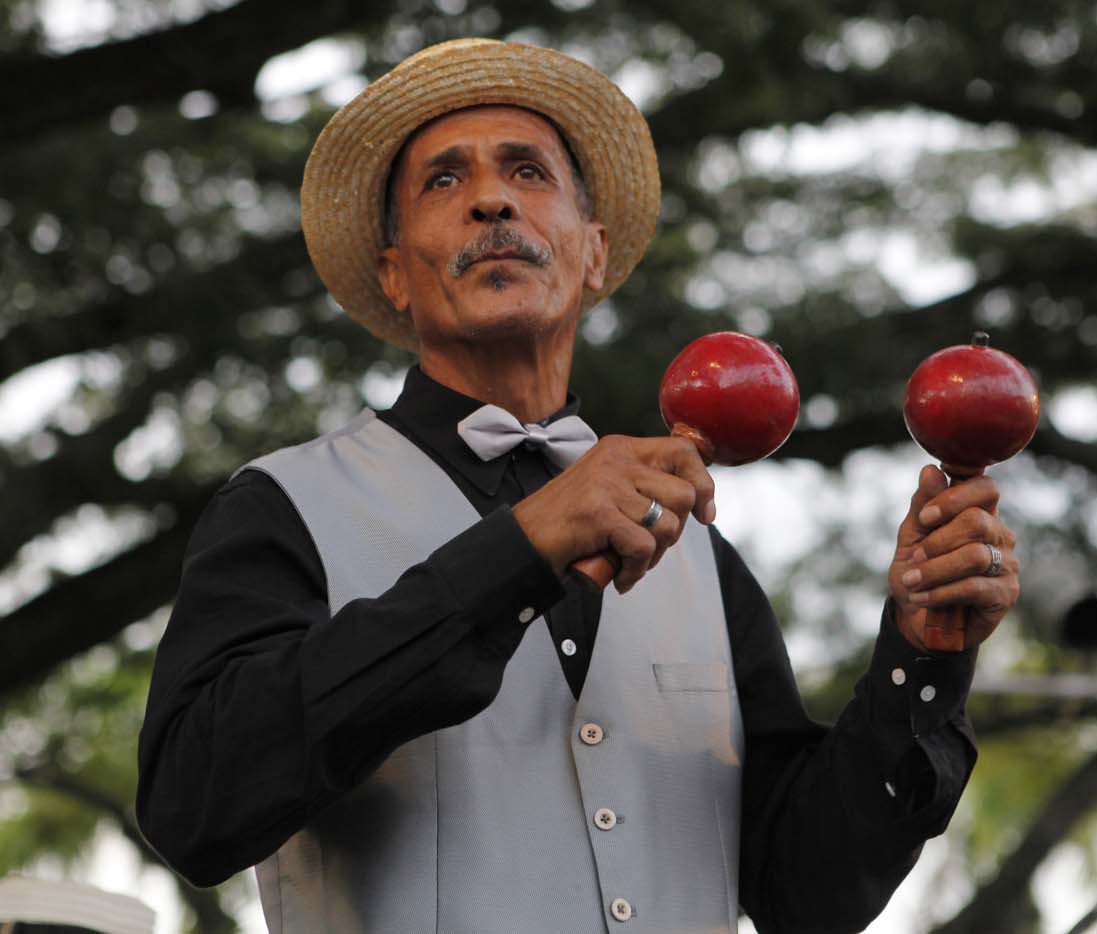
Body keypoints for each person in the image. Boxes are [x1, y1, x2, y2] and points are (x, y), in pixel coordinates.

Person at [136, 38, 1021, 934]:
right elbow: (191, 808)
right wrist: (517, 548)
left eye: (529, 171)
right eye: (444, 181)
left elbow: (809, 896)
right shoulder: (283, 508)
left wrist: (924, 659)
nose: (492, 197)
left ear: (593, 253)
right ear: (395, 276)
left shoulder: (705, 564)